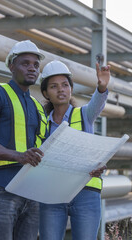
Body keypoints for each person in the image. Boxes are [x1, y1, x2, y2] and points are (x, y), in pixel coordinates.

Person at [0, 40, 47, 240]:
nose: (32, 68)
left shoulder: (37, 107)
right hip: (1, 187)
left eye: (35, 65)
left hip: (30, 191)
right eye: (25, 63)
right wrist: (19, 156)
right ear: (11, 66)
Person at [39, 60, 110, 240]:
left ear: (71, 88)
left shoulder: (84, 115)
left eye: (65, 85)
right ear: (46, 93)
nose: (60, 89)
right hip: (52, 193)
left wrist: (101, 87)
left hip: (85, 192)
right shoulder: (41, 122)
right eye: (54, 86)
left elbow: (97, 103)